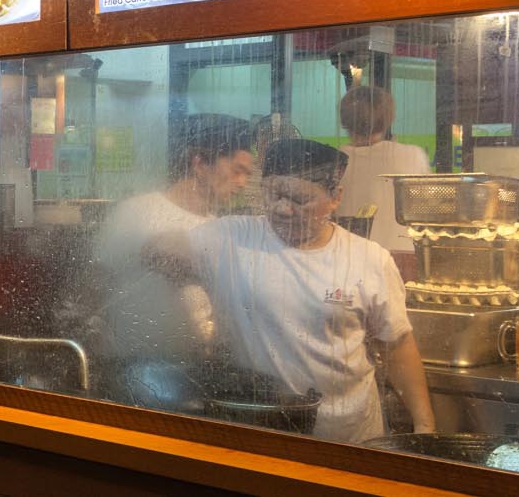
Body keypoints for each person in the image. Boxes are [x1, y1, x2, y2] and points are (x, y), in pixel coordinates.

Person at [150, 139, 433, 442]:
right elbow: (155, 253)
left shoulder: (369, 258)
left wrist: (425, 425)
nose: (283, 208)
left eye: (299, 199)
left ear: (335, 197)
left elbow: (397, 346)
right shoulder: (231, 238)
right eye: (273, 194)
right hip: (258, 430)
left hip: (348, 437)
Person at [90, 114, 254, 364]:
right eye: (237, 171)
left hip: (195, 368)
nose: (243, 183)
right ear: (199, 164)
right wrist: (93, 348)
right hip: (127, 364)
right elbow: (94, 284)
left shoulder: (220, 231)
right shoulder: (137, 212)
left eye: (247, 175)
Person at [334, 86, 429, 252]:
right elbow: (428, 213)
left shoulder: (333, 162)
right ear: (390, 118)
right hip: (404, 257)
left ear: (343, 120)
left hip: (349, 258)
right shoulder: (413, 155)